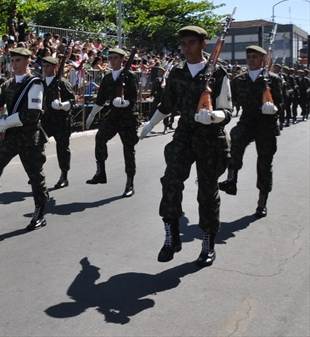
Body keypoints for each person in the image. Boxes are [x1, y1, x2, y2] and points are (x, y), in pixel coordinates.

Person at [140, 26, 232, 268]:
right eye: (183, 44)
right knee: (170, 179)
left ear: (203, 44)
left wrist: (214, 116)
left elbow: (227, 110)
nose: (186, 47)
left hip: (210, 138)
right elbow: (167, 104)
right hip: (184, 135)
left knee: (207, 193)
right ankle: (172, 236)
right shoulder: (177, 73)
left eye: (192, 42)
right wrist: (150, 124)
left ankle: (207, 243)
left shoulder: (219, 73)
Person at [0, 48, 49, 231]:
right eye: (12, 61)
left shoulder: (35, 83)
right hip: (11, 136)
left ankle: (40, 211)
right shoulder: (8, 84)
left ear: (27, 62)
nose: (14, 64)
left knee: (35, 176)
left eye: (18, 60)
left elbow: (32, 114)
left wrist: (6, 122)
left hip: (30, 137)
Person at [218, 46, 283, 218]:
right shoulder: (239, 80)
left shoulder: (273, 79)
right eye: (248, 57)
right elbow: (228, 100)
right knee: (236, 135)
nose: (251, 60)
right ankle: (232, 179)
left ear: (264, 59)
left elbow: (282, 104)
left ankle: (262, 201)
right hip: (247, 122)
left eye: (255, 57)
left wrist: (274, 108)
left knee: (264, 163)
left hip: (266, 125)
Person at [84, 48, 139, 198]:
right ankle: (100, 172)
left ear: (122, 60)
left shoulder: (130, 76)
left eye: (116, 58)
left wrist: (125, 102)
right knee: (100, 137)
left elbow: (134, 98)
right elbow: (101, 99)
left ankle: (130, 183)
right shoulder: (107, 78)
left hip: (128, 118)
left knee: (128, 150)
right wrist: (92, 114)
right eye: (111, 58)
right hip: (114, 116)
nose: (112, 61)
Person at [42, 56, 76, 189]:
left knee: (62, 149)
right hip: (46, 121)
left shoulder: (62, 83)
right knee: (36, 145)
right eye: (44, 66)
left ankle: (64, 176)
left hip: (61, 122)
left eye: (48, 66)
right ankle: (37, 172)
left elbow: (72, 101)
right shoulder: (42, 83)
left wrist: (63, 105)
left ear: (55, 67)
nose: (45, 69)